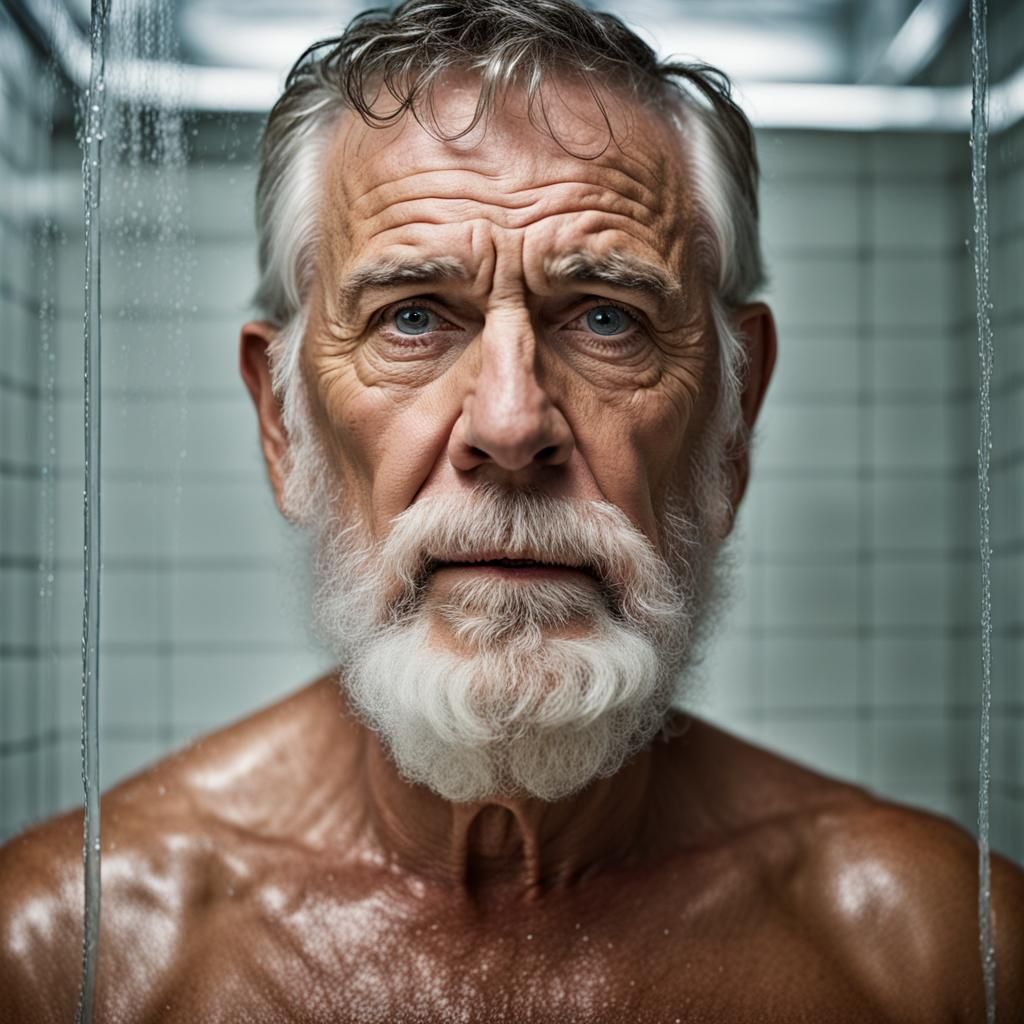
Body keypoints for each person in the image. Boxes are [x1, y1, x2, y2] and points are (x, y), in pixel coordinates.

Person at [2, 1, 1021, 1020]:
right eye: (410, 316)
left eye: (607, 318)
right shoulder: (65, 954)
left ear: (733, 415)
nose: (509, 422)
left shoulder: (935, 951)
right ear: (281, 419)